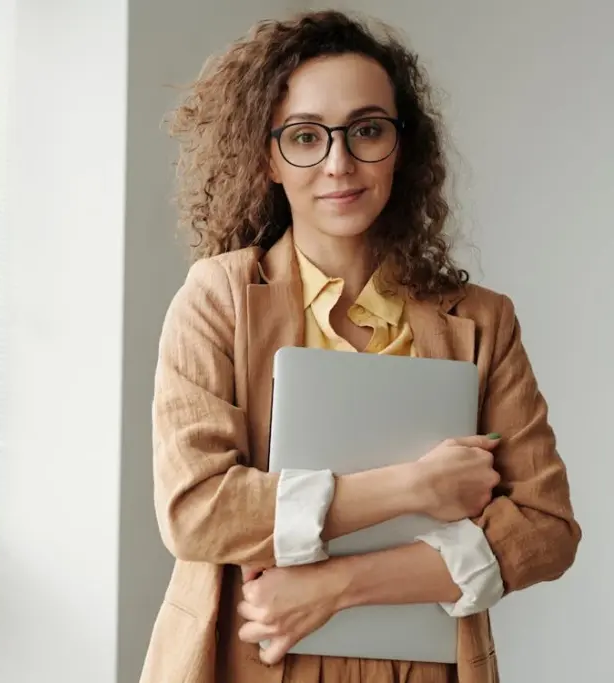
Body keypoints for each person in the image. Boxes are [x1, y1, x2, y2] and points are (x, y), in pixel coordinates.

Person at [142, 10, 581, 683]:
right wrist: (415, 485)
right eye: (306, 137)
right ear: (267, 156)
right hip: (244, 659)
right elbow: (198, 509)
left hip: (426, 668)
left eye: (367, 130)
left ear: (402, 146)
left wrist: (335, 584)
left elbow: (546, 530)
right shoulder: (218, 299)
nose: (339, 163)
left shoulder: (483, 322)